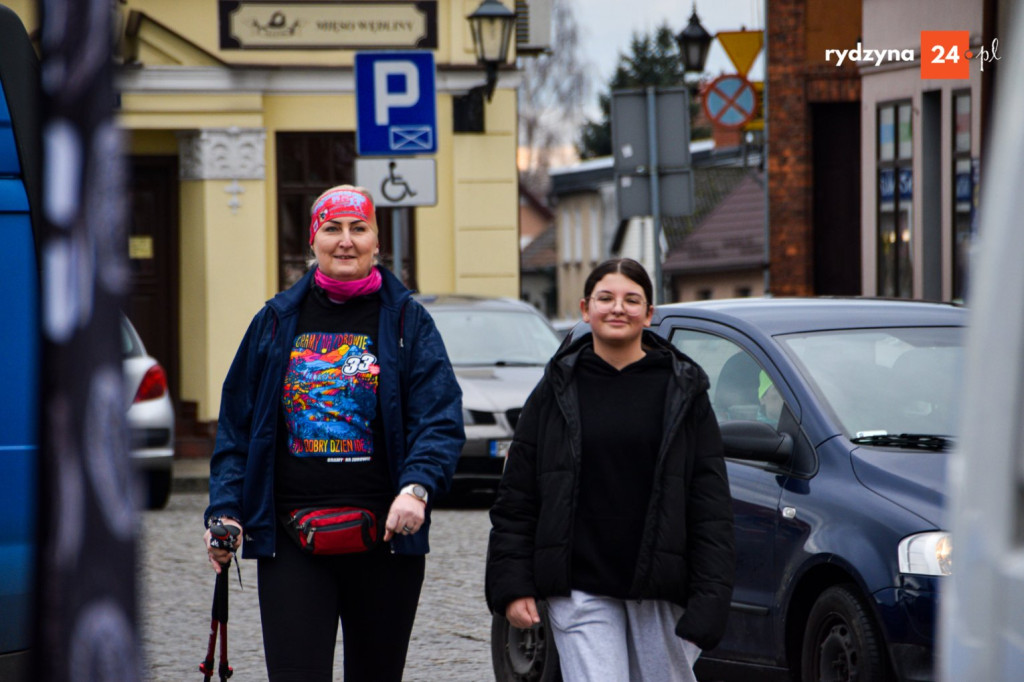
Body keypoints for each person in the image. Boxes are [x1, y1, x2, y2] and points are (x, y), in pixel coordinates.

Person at [203, 185, 464, 682]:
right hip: (291, 539)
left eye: (358, 228)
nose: (346, 241)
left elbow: (439, 417)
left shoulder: (408, 321)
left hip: (386, 540)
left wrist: (417, 488)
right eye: (333, 228)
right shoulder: (275, 322)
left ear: (376, 243)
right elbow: (237, 426)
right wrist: (225, 510)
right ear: (313, 242)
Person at [485, 258, 735, 681]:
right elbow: (518, 497)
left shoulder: (683, 391)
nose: (618, 308)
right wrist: (513, 585)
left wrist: (710, 599)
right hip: (580, 586)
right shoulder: (554, 390)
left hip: (661, 589)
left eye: (631, 299)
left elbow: (710, 506)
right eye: (606, 298)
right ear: (586, 308)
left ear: (649, 314)